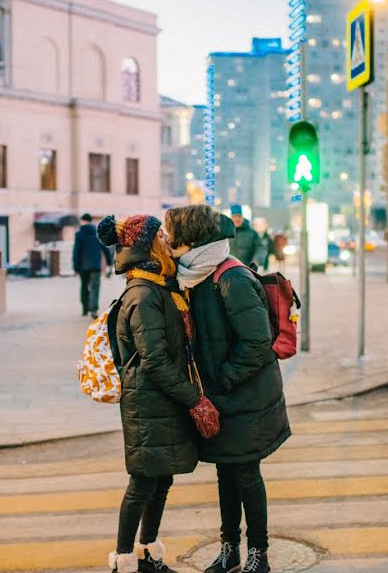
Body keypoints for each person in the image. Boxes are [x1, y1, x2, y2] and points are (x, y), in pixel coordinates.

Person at [164, 204, 291, 573]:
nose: (169, 241)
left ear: (192, 238)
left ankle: (259, 554)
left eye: (174, 234)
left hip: (246, 396)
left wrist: (221, 380)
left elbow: (256, 343)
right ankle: (229, 548)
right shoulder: (195, 274)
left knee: (247, 476)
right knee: (225, 472)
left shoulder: (230, 277)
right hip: (222, 397)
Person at [97, 214, 220, 573]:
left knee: (160, 479)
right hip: (149, 401)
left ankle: (148, 551)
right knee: (143, 482)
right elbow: (154, 360)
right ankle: (123, 559)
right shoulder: (143, 294)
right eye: (161, 236)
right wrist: (194, 399)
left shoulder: (159, 286)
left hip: (160, 400)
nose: (168, 240)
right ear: (148, 246)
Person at [73, 214, 111, 318]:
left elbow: (76, 251)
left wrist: (75, 267)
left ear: (83, 221)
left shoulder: (79, 234)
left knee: (84, 286)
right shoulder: (97, 233)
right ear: (90, 221)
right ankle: (93, 309)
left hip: (83, 267)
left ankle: (85, 309)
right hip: (95, 265)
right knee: (95, 287)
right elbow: (105, 249)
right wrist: (109, 262)